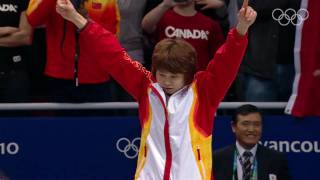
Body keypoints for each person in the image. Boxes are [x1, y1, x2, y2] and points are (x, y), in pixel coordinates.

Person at [56, 0, 256, 178]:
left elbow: (226, 61)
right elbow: (112, 54)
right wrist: (76, 18)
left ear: (188, 75)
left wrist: (241, 29)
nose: (167, 82)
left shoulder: (204, 92)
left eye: (174, 77)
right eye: (162, 75)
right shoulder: (146, 87)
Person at [25, 0, 120, 102]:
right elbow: (33, 20)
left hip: (95, 76)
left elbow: (111, 37)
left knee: (98, 117)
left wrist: (85, 20)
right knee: (62, 117)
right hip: (59, 76)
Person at [142, 0, 225, 71]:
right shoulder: (162, 17)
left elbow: (219, 57)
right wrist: (165, 4)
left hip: (198, 81)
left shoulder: (210, 24)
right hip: (167, 77)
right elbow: (146, 26)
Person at [213, 104, 291, 180]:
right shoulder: (217, 159)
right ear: (233, 127)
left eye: (257, 124)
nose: (251, 129)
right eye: (245, 124)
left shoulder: (277, 159)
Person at [0, 0, 32, 102]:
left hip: (14, 71)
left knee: (17, 115)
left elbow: (25, 37)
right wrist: (7, 30)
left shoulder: (24, 1)